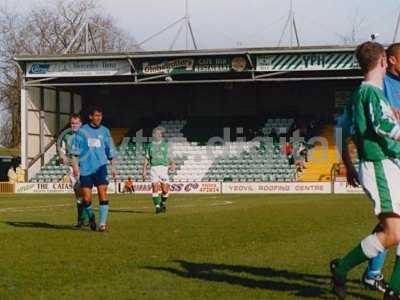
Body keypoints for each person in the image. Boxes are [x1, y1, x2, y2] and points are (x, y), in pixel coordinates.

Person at [331, 41, 400, 300]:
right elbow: (383, 126)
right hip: (380, 164)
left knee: (396, 231)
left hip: (387, 163)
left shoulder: (366, 93)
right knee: (393, 233)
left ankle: (394, 290)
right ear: (384, 61)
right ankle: (343, 268)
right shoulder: (371, 92)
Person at [360, 43, 400, 293]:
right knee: (393, 225)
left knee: (393, 224)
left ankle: (375, 275)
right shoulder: (378, 86)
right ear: (391, 60)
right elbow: (349, 123)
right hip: (388, 160)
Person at [71, 107, 116, 232]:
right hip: (85, 168)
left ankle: (102, 224)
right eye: (96, 115)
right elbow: (74, 153)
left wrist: (113, 166)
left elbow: (110, 150)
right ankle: (91, 217)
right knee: (86, 199)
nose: (99, 118)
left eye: (100, 116)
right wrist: (75, 167)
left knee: (103, 194)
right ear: (90, 116)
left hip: (101, 167)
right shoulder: (81, 131)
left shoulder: (105, 131)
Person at [59, 114, 88, 228]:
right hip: (72, 167)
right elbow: (62, 150)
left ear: (80, 124)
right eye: (72, 123)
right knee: (78, 194)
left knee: (84, 192)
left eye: (76, 123)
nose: (74, 125)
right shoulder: (66, 136)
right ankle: (81, 220)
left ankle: (85, 218)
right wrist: (62, 157)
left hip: (84, 166)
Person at [142, 127, 176, 214]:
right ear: (153, 135)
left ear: (161, 135)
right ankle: (157, 207)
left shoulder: (165, 145)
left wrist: (173, 164)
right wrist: (144, 170)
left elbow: (170, 156)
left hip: (163, 168)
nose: (158, 135)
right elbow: (146, 159)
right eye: (156, 133)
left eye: (160, 134)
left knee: (165, 191)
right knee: (154, 187)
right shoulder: (149, 146)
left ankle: (162, 203)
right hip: (153, 168)